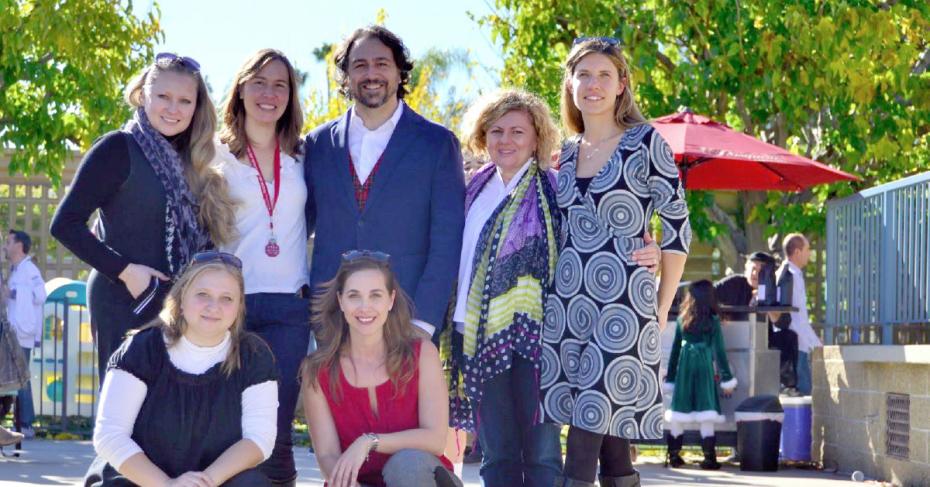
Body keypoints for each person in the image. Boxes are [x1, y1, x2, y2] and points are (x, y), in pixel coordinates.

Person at [540, 37, 691, 487]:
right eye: (583, 74)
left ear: (622, 84)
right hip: (569, 304)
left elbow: (679, 227)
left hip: (624, 302)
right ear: (570, 84)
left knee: (588, 419)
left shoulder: (646, 142)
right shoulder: (563, 154)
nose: (593, 84)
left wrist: (662, 307)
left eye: (605, 74)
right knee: (606, 430)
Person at [51, 53, 236, 381]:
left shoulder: (194, 161)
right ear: (142, 94)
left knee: (169, 417)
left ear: (196, 107)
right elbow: (64, 224)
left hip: (180, 305)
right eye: (163, 96)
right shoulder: (118, 148)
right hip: (124, 297)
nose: (172, 108)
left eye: (184, 100)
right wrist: (125, 271)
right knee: (124, 412)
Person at [303, 25, 465, 340]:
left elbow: (447, 241)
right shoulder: (317, 143)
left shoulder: (437, 143)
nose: (371, 73)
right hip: (331, 320)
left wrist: (425, 321)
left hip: (405, 319)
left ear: (399, 71)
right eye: (360, 65)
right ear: (346, 76)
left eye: (382, 63)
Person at [446, 90, 564, 486]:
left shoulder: (557, 190)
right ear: (483, 136)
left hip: (536, 339)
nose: (505, 140)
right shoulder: (472, 188)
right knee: (496, 453)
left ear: (537, 138)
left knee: (543, 452)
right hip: (476, 334)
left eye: (517, 131)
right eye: (496, 130)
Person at [85, 251, 279, 486]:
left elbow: (259, 440)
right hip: (143, 479)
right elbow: (110, 436)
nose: (213, 306)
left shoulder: (253, 355)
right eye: (202, 294)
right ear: (181, 298)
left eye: (227, 298)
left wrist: (203, 482)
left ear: (239, 307)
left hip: (215, 480)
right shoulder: (142, 349)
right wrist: (168, 484)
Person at [214, 48, 308, 486]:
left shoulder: (303, 158)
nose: (269, 93)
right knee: (230, 425)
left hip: (290, 308)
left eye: (280, 85)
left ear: (290, 96)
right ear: (240, 90)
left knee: (278, 425)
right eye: (259, 82)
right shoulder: (213, 156)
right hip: (229, 306)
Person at [301, 252, 462, 487]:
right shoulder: (318, 370)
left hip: (421, 478)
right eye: (354, 296)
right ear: (340, 301)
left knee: (406, 465)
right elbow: (327, 455)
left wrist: (370, 442)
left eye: (375, 295)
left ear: (391, 300)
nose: (365, 307)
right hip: (360, 483)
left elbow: (436, 440)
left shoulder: (422, 354)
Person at [663, 280, 736, 470]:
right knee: (706, 411)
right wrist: (727, 379)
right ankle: (709, 458)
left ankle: (674, 455)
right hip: (704, 367)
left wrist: (670, 378)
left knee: (680, 410)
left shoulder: (682, 320)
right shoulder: (713, 322)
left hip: (684, 368)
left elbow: (674, 353)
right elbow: (719, 353)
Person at [3, 230, 47, 439]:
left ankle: (25, 423)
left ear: (19, 245)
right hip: (15, 332)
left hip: (22, 332)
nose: (5, 245)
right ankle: (21, 422)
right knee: (16, 378)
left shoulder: (29, 269)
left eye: (8, 242)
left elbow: (40, 295)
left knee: (20, 378)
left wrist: (12, 293)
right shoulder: (17, 270)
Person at [773, 233, 821, 396]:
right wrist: (815, 344)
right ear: (797, 252)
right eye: (807, 249)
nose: (809, 253)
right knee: (805, 394)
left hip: (796, 343)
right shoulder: (790, 276)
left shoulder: (788, 274)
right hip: (796, 345)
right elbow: (796, 318)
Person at [713, 251, 776, 321]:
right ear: (746, 269)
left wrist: (766, 302)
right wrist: (720, 315)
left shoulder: (775, 290)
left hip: (765, 331)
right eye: (753, 269)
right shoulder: (734, 283)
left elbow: (782, 323)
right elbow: (707, 294)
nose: (755, 273)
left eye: (761, 271)